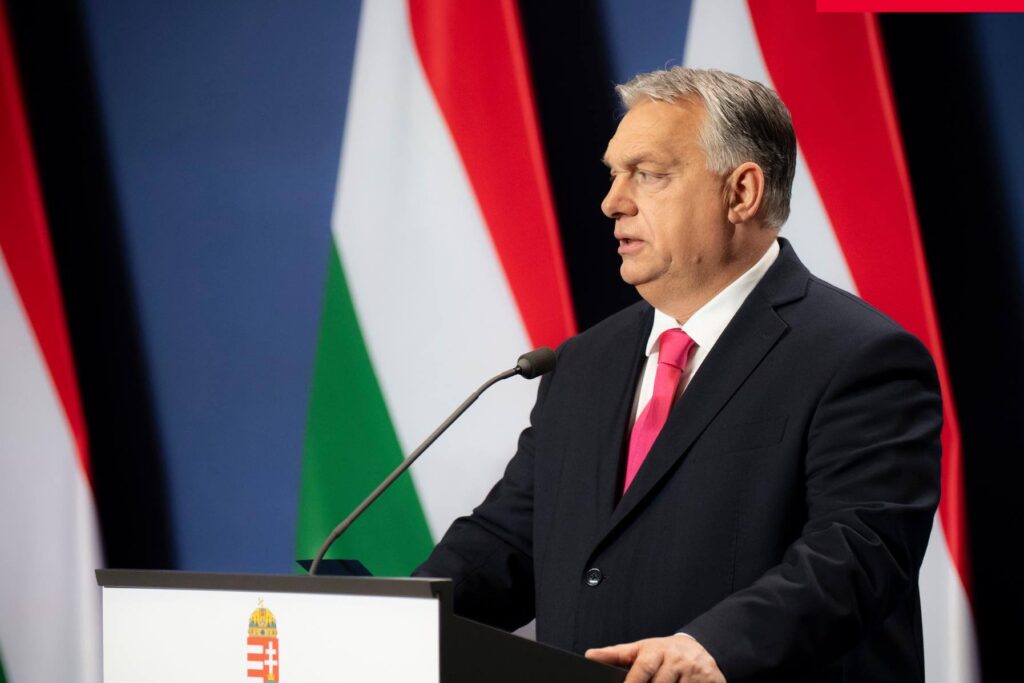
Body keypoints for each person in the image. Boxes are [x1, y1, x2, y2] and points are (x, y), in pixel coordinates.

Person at [414, 67, 942, 683]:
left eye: (648, 174)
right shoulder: (583, 363)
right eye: (614, 174)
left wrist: (714, 645)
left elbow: (859, 552)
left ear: (741, 193)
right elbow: (510, 543)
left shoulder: (858, 357)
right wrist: (391, 619)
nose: (612, 202)